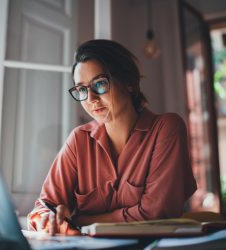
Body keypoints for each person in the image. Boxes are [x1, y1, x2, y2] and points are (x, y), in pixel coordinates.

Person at [27, 39, 197, 235]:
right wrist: (46, 218)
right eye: (82, 89)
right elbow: (44, 206)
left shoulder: (166, 129)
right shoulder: (78, 141)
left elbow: (155, 214)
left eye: (99, 84)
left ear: (130, 83)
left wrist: (80, 220)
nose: (90, 99)